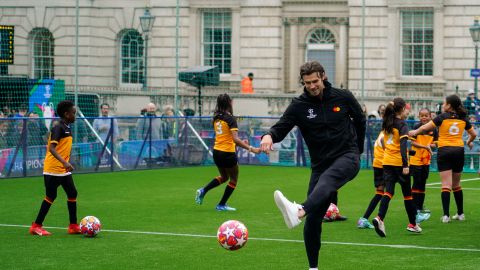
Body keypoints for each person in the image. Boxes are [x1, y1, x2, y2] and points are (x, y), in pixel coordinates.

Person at [259, 61, 366, 270]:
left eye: (315, 81)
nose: (312, 86)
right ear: (303, 82)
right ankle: (313, 268)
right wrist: (268, 136)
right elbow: (281, 126)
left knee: (327, 182)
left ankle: (300, 209)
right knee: (313, 221)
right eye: (307, 83)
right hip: (320, 165)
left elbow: (360, 120)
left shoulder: (343, 97)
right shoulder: (299, 106)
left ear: (323, 77)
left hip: (347, 156)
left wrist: (358, 149)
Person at [409, 94, 476, 223]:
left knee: (446, 185)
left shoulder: (442, 117)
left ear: (449, 105)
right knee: (457, 184)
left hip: (445, 150)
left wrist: (414, 132)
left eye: (445, 103)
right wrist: (468, 142)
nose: (443, 105)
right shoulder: (463, 118)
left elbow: (425, 127)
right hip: (458, 150)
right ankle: (460, 214)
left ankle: (446, 216)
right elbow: (473, 134)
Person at [195, 94, 260, 211]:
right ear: (229, 103)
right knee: (234, 179)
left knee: (224, 177)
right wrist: (251, 148)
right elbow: (235, 139)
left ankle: (203, 190)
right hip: (227, 153)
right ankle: (221, 205)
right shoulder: (230, 119)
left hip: (217, 151)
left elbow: (224, 135)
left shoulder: (215, 118)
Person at [371, 98, 424, 238]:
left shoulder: (387, 122)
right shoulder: (402, 125)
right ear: (401, 110)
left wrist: (392, 151)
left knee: (388, 192)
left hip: (386, 161)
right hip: (399, 163)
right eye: (407, 108)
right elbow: (401, 145)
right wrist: (405, 164)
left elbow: (383, 141)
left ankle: (379, 218)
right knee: (407, 195)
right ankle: (413, 224)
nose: (408, 111)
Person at [29, 100, 81, 236]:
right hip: (53, 168)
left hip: (62, 169)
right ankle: (36, 226)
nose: (75, 115)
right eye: (73, 113)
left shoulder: (67, 126)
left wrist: (65, 163)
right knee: (51, 196)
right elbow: (51, 148)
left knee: (72, 193)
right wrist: (64, 162)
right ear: (66, 114)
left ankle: (73, 226)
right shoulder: (58, 127)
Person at [409, 108, 437, 214]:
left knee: (423, 184)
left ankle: (420, 207)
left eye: (426, 115)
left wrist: (430, 146)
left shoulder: (434, 129)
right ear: (419, 117)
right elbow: (412, 143)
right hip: (416, 160)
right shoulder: (416, 127)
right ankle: (414, 207)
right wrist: (425, 147)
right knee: (416, 183)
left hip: (426, 161)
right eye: (422, 116)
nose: (424, 117)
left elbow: (436, 144)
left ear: (430, 116)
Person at [357, 131, 384, 229]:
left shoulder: (382, 133)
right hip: (384, 165)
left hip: (378, 164)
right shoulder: (387, 135)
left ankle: (364, 219)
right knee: (392, 191)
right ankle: (414, 217)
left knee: (380, 193)